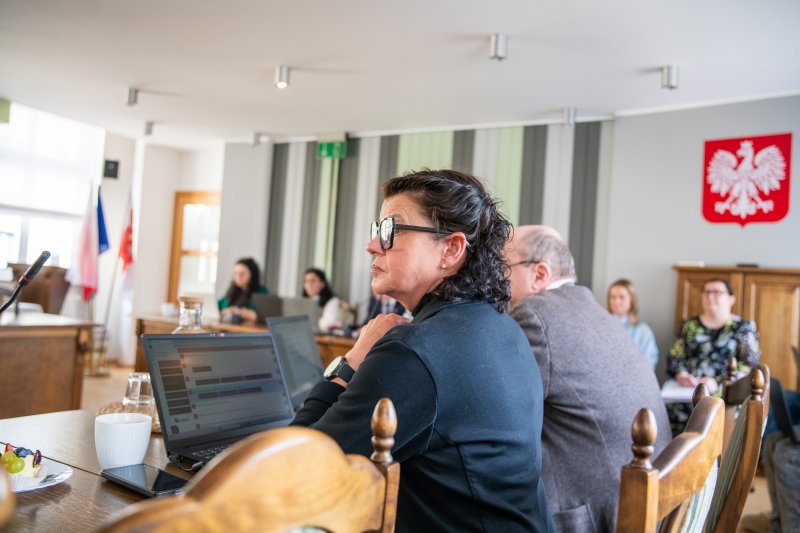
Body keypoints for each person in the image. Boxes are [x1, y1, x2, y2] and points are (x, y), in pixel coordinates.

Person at [293, 169, 553, 532]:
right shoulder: (504, 328)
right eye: (377, 229)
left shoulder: (414, 352)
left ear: (451, 249)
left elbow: (295, 472)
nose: (372, 245)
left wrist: (352, 360)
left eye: (391, 230)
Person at [504, 225, 670, 532]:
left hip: (600, 514)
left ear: (540, 274)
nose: (495, 280)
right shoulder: (587, 307)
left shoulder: (534, 313)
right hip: (649, 497)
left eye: (503, 268)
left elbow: (502, 410)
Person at [667, 278, 760, 435]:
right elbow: (674, 358)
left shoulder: (743, 327)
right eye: (707, 292)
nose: (711, 296)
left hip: (726, 397)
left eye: (717, 292)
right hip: (687, 395)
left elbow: (748, 366)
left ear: (731, 299)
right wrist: (681, 375)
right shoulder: (689, 325)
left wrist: (717, 383)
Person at [607, 278, 659, 369]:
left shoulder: (643, 331)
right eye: (613, 297)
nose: (616, 302)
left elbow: (648, 364)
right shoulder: (601, 326)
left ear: (632, 301)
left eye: (621, 297)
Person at [217, 257, 267, 323]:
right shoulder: (232, 291)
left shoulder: (261, 291)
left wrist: (238, 311)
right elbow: (218, 307)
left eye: (242, 274)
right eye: (235, 273)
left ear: (252, 275)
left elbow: (261, 316)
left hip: (248, 328)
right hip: (228, 327)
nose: (238, 277)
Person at [302, 268, 343, 332]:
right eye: (306, 281)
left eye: (313, 281)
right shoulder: (304, 302)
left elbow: (327, 324)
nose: (309, 284)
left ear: (322, 284)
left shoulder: (333, 301)